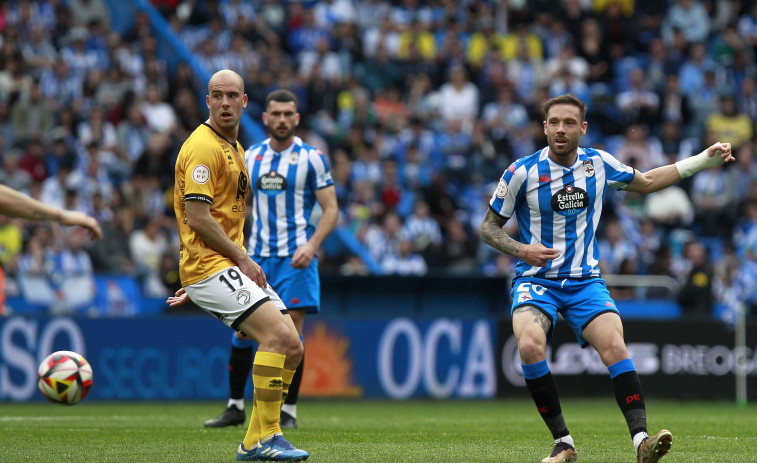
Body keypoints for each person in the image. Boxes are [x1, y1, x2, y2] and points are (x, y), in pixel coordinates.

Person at [480, 94, 733, 463]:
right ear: (544, 127)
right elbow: (488, 228)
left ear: (582, 128)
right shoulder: (522, 171)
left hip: (585, 281)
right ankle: (563, 444)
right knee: (530, 347)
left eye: (569, 123)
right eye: (554, 123)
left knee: (615, 346)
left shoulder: (598, 163)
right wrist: (522, 250)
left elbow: (646, 181)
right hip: (537, 281)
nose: (561, 130)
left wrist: (703, 160)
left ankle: (642, 442)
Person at [168, 70, 308, 461]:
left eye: (233, 95)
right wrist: (209, 271)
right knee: (276, 338)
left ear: (245, 102)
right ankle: (271, 437)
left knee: (293, 347)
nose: (226, 102)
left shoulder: (236, 148)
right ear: (207, 101)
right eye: (218, 95)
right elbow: (196, 216)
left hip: (220, 266)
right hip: (212, 265)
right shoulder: (202, 147)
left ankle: (251, 442)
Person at [205, 89, 338, 430]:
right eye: (275, 114)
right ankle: (235, 406)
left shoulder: (313, 158)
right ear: (265, 119)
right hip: (257, 260)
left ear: (297, 118)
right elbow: (237, 204)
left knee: (292, 336)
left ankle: (287, 411)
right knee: (242, 334)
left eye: (287, 114)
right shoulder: (251, 156)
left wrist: (312, 245)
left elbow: (331, 210)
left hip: (296, 260)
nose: (281, 120)